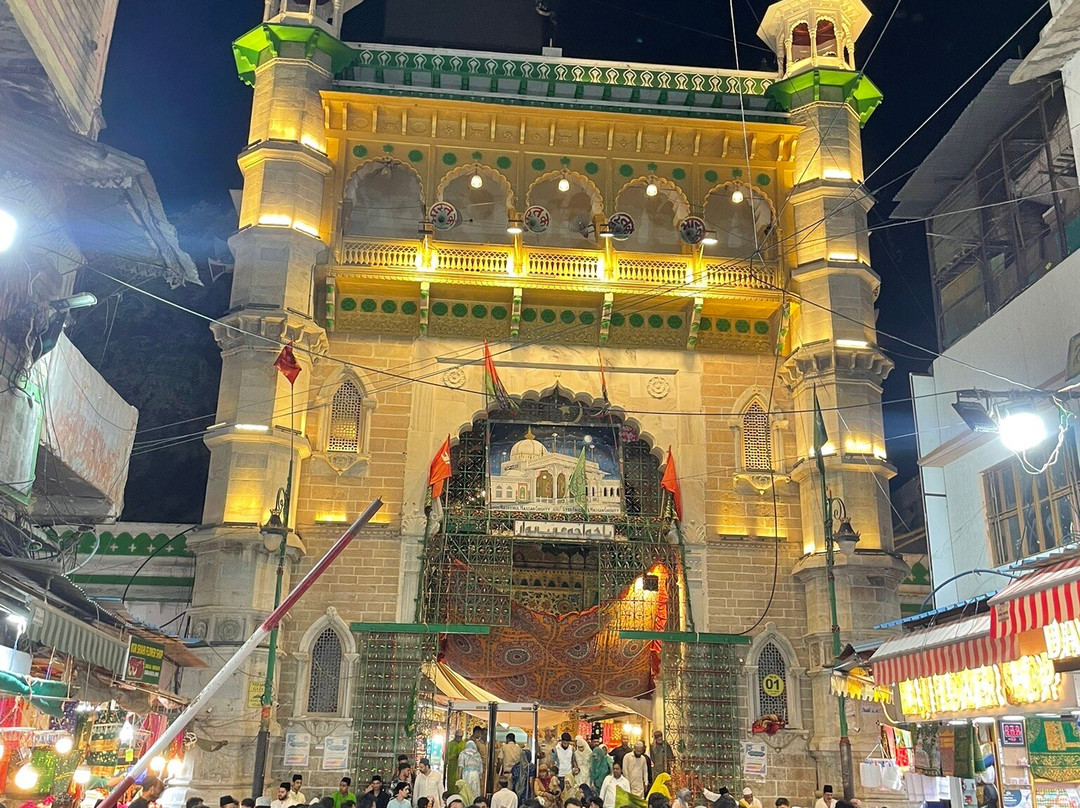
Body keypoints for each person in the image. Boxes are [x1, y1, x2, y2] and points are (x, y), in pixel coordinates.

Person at [472, 728, 490, 793]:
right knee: (481, 784)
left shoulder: (490, 744)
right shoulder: (477, 743)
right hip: (481, 767)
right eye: (485, 734)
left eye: (487, 735)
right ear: (481, 734)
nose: (486, 736)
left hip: (489, 767)